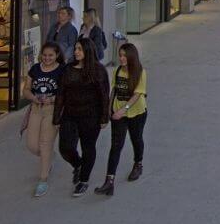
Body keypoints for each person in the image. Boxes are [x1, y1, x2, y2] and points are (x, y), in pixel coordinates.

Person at [54, 37, 110, 196]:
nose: (76, 52)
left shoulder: (98, 70)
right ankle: (78, 164)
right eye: (75, 49)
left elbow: (104, 95)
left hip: (91, 116)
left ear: (88, 51)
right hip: (70, 114)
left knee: (88, 148)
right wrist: (56, 117)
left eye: (79, 49)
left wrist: (104, 117)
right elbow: (60, 94)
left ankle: (84, 180)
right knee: (65, 147)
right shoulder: (68, 69)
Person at [95, 43, 147, 196]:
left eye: (125, 56)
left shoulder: (140, 72)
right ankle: (109, 181)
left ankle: (138, 163)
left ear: (132, 56)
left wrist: (124, 110)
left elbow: (137, 94)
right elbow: (114, 90)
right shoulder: (117, 71)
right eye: (120, 55)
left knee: (136, 139)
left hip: (136, 113)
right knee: (116, 146)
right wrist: (109, 109)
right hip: (118, 113)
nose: (122, 58)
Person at [23, 42, 65, 197]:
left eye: (51, 55)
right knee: (32, 145)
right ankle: (49, 157)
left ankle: (43, 179)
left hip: (52, 110)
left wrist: (52, 99)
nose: (47, 58)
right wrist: (34, 97)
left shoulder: (62, 70)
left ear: (57, 55)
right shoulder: (35, 69)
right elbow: (26, 89)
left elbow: (65, 92)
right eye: (45, 55)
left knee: (45, 143)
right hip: (36, 108)